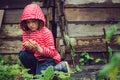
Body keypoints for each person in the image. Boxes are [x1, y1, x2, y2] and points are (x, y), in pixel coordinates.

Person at [19, 3, 70, 75]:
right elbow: (26, 49)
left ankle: (60, 68)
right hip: (37, 59)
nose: (31, 25)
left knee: (42, 74)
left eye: (33, 21)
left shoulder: (46, 32)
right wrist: (27, 47)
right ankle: (34, 72)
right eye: (28, 22)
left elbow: (51, 53)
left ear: (39, 20)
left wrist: (39, 49)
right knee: (23, 54)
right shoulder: (26, 32)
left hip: (48, 59)